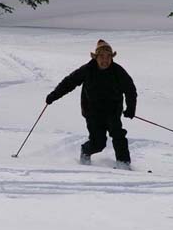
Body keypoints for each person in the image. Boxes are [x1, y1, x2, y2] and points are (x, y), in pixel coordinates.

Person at [45, 39, 137, 169]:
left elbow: (130, 90)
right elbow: (69, 83)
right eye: (101, 57)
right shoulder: (88, 69)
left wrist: (131, 108)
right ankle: (85, 151)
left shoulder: (118, 71)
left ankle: (123, 164)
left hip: (112, 111)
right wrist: (53, 96)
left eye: (108, 57)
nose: (105, 60)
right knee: (98, 143)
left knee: (118, 135)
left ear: (112, 57)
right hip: (92, 112)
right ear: (96, 57)